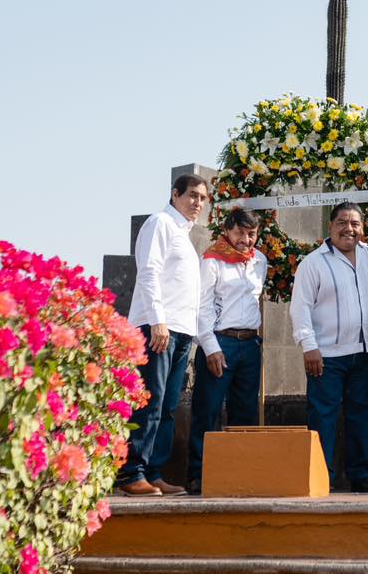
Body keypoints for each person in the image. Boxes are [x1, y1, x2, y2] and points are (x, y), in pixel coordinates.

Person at [117, 173, 210, 496]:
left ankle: (153, 472)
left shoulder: (184, 235)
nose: (197, 202)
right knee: (150, 401)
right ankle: (131, 474)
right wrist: (158, 320)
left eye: (202, 198)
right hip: (159, 328)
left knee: (167, 406)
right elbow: (149, 271)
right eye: (192, 195)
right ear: (175, 194)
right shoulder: (160, 223)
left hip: (183, 332)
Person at [290, 202, 368, 493]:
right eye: (342, 222)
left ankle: (361, 475)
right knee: (323, 417)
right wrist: (309, 346)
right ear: (330, 227)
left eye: (355, 223)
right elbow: (300, 308)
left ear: (362, 228)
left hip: (365, 353)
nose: (349, 229)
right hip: (326, 355)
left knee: (363, 416)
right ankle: (322, 477)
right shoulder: (313, 263)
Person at [186, 208, 266, 494]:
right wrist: (210, 348)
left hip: (250, 343)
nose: (245, 239)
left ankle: (240, 474)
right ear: (228, 231)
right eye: (240, 232)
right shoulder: (211, 259)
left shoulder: (260, 261)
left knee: (245, 413)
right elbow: (201, 305)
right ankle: (199, 474)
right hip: (221, 342)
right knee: (208, 411)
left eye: (251, 233)